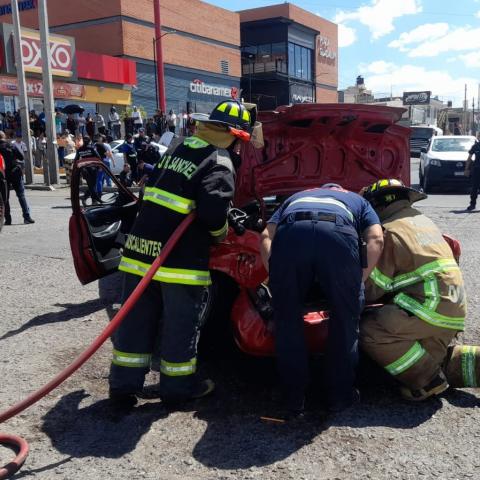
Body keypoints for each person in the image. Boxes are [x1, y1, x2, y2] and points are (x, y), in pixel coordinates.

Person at [109, 100, 258, 410]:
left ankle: (123, 388)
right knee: (180, 326)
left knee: (135, 321)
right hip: (177, 261)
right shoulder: (219, 161)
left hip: (140, 251)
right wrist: (220, 234)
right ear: (234, 136)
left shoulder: (180, 146)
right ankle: (177, 391)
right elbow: (213, 213)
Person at [260, 184, 384, 416]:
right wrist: (357, 280)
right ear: (340, 189)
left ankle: (293, 398)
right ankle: (340, 396)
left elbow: (266, 235)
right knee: (345, 322)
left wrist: (276, 274)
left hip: (292, 233)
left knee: (287, 320)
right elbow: (376, 238)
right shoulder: (359, 201)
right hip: (338, 235)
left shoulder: (296, 195)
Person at [360, 179, 468, 401]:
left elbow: (371, 290)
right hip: (452, 307)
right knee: (427, 353)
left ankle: (428, 380)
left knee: (369, 329)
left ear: (376, 206)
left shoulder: (387, 232)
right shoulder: (421, 220)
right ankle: (460, 363)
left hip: (426, 308)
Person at [1, 131, 35, 224]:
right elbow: (21, 157)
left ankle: (8, 219)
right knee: (21, 195)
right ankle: (27, 217)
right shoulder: (11, 146)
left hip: (3, 175)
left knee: (5, 198)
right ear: (4, 137)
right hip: (15, 172)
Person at [74, 135, 102, 206]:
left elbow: (76, 160)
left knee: (91, 186)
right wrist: (99, 167)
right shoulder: (92, 148)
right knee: (92, 185)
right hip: (92, 169)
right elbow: (98, 157)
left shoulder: (80, 149)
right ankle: (94, 200)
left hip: (85, 170)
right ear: (90, 141)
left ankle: (86, 198)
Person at [464, 132, 480, 211]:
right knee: (474, 188)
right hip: (477, 170)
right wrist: (467, 169)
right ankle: (472, 204)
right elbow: (469, 158)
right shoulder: (475, 146)